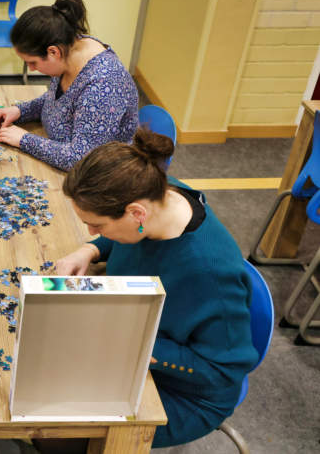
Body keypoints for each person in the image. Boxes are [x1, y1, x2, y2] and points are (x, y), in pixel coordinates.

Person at [56, 129, 258, 448]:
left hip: (185, 394)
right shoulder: (157, 194)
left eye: (98, 225)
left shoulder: (208, 274)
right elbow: (128, 231)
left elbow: (223, 370)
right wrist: (90, 250)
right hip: (129, 339)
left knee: (61, 427)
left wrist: (134, 342)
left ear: (137, 213)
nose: (92, 231)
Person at [0, 0, 138, 171]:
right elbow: (59, 101)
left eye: (33, 62)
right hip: (57, 156)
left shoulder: (104, 85)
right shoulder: (68, 47)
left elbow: (81, 159)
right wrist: (20, 111)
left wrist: (24, 139)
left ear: (53, 52)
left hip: (101, 174)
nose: (31, 69)